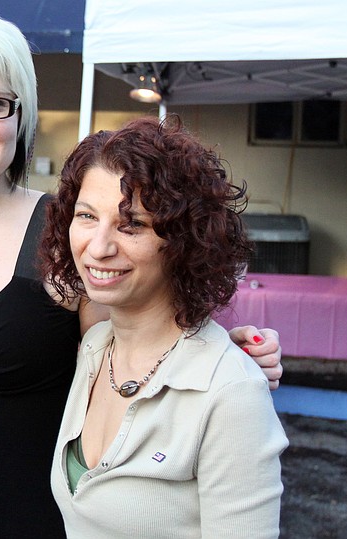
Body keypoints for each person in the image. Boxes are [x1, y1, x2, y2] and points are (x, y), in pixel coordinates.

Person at [0, 12, 283, 537]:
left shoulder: (67, 232)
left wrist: (228, 354)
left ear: (22, 116)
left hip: (25, 520)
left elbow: (138, 347)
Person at [43, 117, 288, 537]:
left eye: (131, 224)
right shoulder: (95, 348)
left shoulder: (231, 393)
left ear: (184, 240)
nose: (98, 248)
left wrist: (226, 368)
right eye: (86, 216)